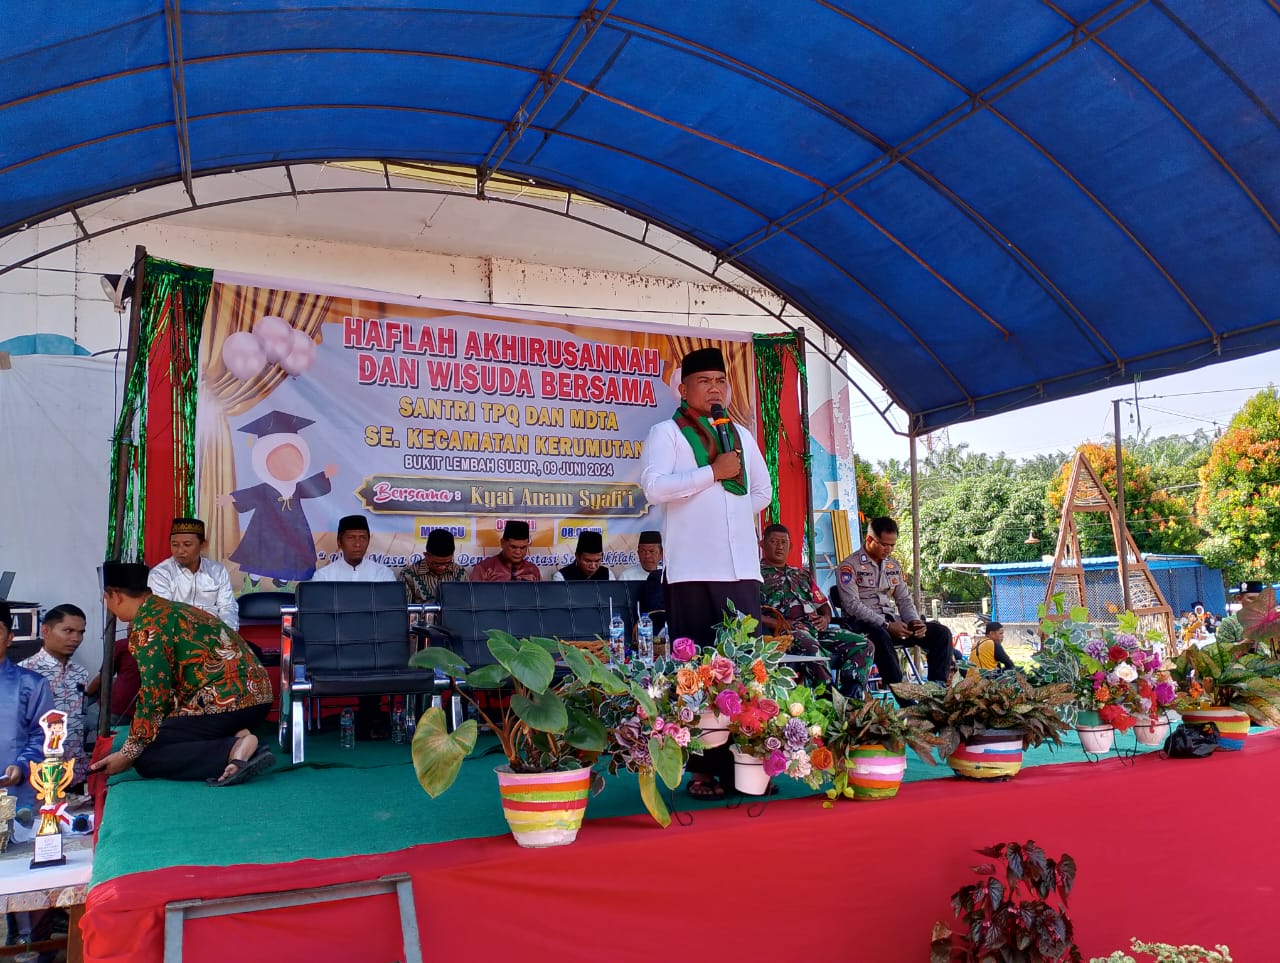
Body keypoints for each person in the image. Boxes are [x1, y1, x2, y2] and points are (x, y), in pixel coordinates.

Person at [639, 346, 772, 800]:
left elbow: (761, 492)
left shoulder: (741, 435)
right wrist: (711, 475)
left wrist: (727, 514)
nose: (715, 388)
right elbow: (655, 487)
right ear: (683, 389)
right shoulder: (667, 433)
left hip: (741, 572)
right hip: (693, 571)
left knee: (745, 672)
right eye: (704, 381)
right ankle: (701, 769)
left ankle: (749, 763)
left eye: (721, 381)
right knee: (695, 673)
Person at [89, 562, 275, 787]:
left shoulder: (147, 625)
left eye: (105, 598)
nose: (106, 604)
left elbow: (155, 693)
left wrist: (129, 752)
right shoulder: (177, 609)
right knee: (170, 730)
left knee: (146, 756)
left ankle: (233, 750)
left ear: (115, 596)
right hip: (260, 698)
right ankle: (238, 734)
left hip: (222, 702)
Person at [835, 517, 952, 698]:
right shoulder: (849, 566)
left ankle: (936, 689)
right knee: (879, 634)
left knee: (940, 633)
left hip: (892, 622)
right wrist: (887, 625)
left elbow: (904, 599)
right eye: (883, 544)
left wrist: (913, 621)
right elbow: (852, 606)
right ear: (869, 540)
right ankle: (901, 693)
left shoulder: (893, 565)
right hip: (862, 626)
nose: (888, 549)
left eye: (892, 545)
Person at [218, 409, 338, 586]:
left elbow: (312, 487)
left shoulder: (297, 487)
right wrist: (231, 498)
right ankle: (253, 579)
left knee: (293, 554)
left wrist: (324, 475)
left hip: (294, 529)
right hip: (266, 528)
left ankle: (282, 580)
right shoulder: (265, 488)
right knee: (261, 556)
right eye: (279, 459)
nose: (286, 465)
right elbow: (250, 494)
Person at [758, 523, 869, 692]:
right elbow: (751, 613)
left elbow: (823, 605)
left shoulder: (801, 574)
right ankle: (828, 698)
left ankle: (851, 695)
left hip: (815, 628)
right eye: (774, 542)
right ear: (762, 544)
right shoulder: (755, 576)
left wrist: (825, 618)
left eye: (784, 542)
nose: (780, 547)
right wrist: (779, 623)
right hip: (785, 633)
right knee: (811, 646)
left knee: (862, 643)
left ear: (791, 546)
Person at [19, 604, 96, 788]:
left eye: (80, 632)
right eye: (68, 631)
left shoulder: (81, 674)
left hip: (75, 774)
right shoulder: (25, 672)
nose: (76, 638)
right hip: (37, 776)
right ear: (45, 631)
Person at [0, 600, 55, 815]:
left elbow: (43, 734)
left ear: (10, 638)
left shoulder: (32, 684)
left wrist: (22, 765)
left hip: (14, 790)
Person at [147, 517, 240, 628]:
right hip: (179, 635)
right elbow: (165, 614)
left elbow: (227, 607)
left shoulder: (217, 571)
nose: (180, 551)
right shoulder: (160, 574)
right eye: (175, 545)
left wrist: (227, 634)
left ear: (203, 545)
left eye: (187, 544)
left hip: (215, 633)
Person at [311, 514, 395, 581]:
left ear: (368, 541)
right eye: (351, 538)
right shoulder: (323, 576)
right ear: (339, 542)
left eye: (363, 538)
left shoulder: (383, 574)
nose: (357, 544)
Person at [398, 528, 469, 604]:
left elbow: (467, 605)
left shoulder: (460, 573)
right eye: (436, 563)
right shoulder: (408, 575)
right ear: (426, 555)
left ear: (452, 555)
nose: (443, 567)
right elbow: (403, 610)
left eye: (447, 563)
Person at [619, 531, 666, 634]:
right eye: (643, 551)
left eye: (651, 551)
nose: (647, 556)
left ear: (661, 553)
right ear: (638, 553)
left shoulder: (666, 575)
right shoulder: (626, 576)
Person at [470, 520, 542, 582]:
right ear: (502, 543)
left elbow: (540, 596)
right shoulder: (484, 568)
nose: (518, 552)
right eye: (513, 547)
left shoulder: (533, 570)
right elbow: (474, 596)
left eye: (523, 548)